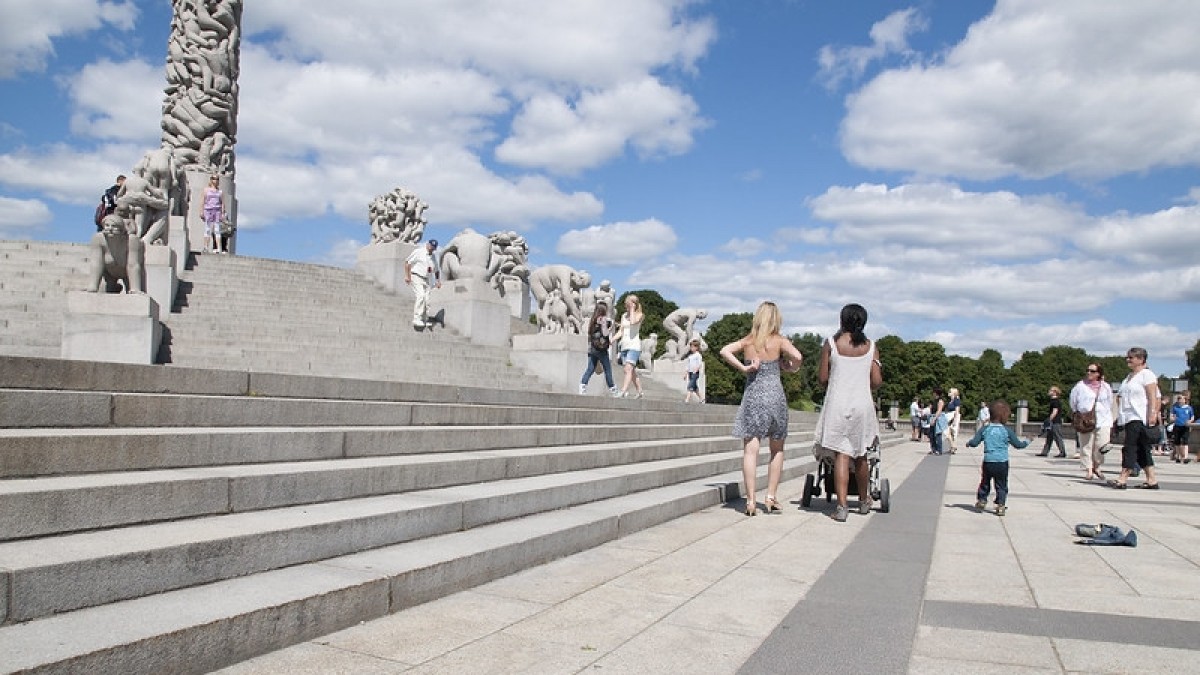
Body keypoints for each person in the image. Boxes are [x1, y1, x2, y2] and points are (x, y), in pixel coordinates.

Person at [720, 301, 803, 516]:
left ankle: (750, 500)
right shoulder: (779, 341)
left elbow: (725, 350)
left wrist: (744, 367)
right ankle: (770, 497)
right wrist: (790, 368)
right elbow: (798, 357)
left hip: (754, 396)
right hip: (775, 396)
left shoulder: (748, 341)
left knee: (750, 450)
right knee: (777, 449)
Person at [812, 303, 882, 522]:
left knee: (841, 454)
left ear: (842, 320)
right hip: (862, 404)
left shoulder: (831, 344)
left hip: (837, 403)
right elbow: (877, 381)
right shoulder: (871, 347)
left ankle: (841, 507)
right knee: (861, 454)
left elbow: (823, 379)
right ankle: (863, 500)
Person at [966, 400, 1031, 516]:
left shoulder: (985, 429)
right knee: (1001, 484)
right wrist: (1028, 441)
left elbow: (975, 442)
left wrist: (969, 443)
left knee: (985, 482)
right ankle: (1000, 505)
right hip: (1002, 462)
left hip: (988, 461)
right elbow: (1018, 445)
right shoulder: (1007, 431)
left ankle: (982, 499)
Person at [1109, 347, 1161, 489]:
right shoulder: (1129, 377)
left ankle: (1123, 477)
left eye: (1131, 358)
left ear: (1140, 359)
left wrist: (1153, 413)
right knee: (1142, 449)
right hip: (1127, 416)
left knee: (1130, 447)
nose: (1128, 360)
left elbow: (1153, 396)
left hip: (1138, 416)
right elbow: (1120, 397)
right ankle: (1152, 479)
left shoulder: (1147, 375)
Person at [1069, 363, 1115, 481]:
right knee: (1086, 445)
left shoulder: (1105, 386)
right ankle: (1088, 469)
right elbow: (1073, 401)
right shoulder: (1080, 386)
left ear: (1099, 373)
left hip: (1103, 418)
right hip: (1085, 419)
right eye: (1088, 370)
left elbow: (1110, 402)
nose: (1089, 373)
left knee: (1102, 445)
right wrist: (1078, 414)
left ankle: (1097, 465)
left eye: (1092, 371)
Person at [580, 304, 618, 397]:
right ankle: (613, 390)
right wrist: (611, 327)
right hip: (601, 349)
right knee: (607, 369)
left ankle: (582, 386)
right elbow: (605, 333)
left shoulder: (593, 320)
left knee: (590, 369)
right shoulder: (603, 319)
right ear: (604, 310)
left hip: (593, 348)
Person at [404, 239, 441, 328]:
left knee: (427, 299)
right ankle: (417, 318)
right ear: (427, 245)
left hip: (427, 279)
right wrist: (407, 276)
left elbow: (436, 270)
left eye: (433, 248)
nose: (432, 249)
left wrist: (437, 281)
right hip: (416, 276)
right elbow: (407, 263)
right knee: (421, 296)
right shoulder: (419, 252)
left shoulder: (433, 257)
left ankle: (425, 319)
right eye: (431, 246)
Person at [616, 295, 645, 399]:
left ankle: (623, 391)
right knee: (630, 371)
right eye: (626, 304)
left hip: (634, 345)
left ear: (634, 304)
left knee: (628, 368)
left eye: (628, 304)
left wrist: (632, 309)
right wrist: (612, 339)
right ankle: (640, 391)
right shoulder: (624, 315)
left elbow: (633, 322)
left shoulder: (640, 315)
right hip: (624, 345)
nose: (626, 306)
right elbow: (621, 331)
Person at [1037, 386, 1067, 458]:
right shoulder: (1052, 401)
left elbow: (1055, 411)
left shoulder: (1056, 401)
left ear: (1055, 392)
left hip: (1055, 422)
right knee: (1049, 437)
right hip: (1053, 422)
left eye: (1050, 390)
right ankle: (1045, 452)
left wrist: (1049, 420)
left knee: (1058, 437)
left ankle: (1062, 452)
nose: (1049, 391)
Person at [202, 175, 226, 253]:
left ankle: (219, 248)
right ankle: (206, 247)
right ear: (211, 180)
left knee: (217, 229)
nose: (216, 180)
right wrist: (201, 211)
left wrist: (222, 213)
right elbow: (202, 201)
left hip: (217, 211)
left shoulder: (220, 192)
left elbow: (222, 203)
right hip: (208, 210)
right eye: (214, 178)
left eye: (217, 179)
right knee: (207, 229)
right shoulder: (206, 190)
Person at [1170, 393, 1194, 463]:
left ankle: (1185, 457)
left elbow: (1192, 417)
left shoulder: (1189, 408)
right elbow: (1171, 417)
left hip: (1185, 426)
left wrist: (1190, 421)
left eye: (1182, 399)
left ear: (1185, 400)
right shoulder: (1175, 408)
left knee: (1185, 441)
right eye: (1179, 399)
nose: (1180, 400)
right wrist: (1173, 419)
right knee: (1177, 441)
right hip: (1177, 426)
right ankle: (1178, 456)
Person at [683, 338, 704, 403]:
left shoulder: (698, 355)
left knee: (690, 385)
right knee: (694, 387)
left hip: (695, 373)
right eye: (691, 347)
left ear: (696, 347)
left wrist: (696, 369)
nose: (691, 348)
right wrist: (686, 373)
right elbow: (688, 365)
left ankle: (687, 399)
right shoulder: (690, 356)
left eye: (692, 347)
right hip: (690, 372)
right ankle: (701, 398)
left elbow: (700, 363)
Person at [928, 387, 947, 455]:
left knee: (938, 434)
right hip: (932, 416)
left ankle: (939, 450)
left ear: (936, 393)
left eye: (933, 392)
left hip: (937, 418)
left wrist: (934, 419)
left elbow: (939, 410)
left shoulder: (940, 401)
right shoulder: (934, 401)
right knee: (931, 435)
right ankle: (933, 449)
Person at [945, 387, 963, 453]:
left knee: (953, 432)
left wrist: (955, 420)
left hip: (954, 416)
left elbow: (957, 410)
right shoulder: (951, 401)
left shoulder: (956, 400)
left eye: (950, 392)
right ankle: (953, 446)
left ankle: (953, 446)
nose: (948, 393)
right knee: (947, 433)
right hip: (949, 416)